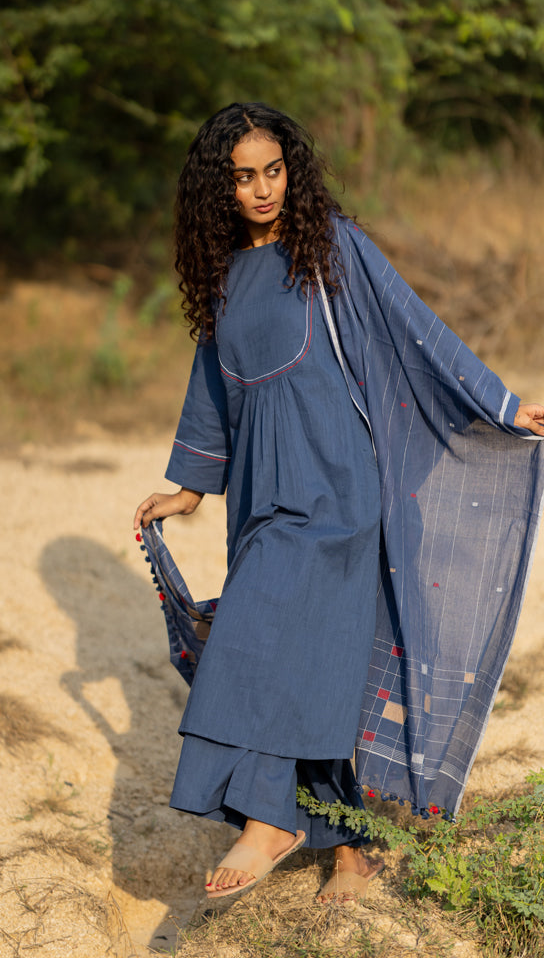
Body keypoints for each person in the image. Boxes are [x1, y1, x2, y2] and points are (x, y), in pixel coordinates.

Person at [133, 102, 544, 904]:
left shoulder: (330, 248)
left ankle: (269, 820)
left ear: (293, 170)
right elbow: (212, 387)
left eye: (274, 171)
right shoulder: (224, 277)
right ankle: (350, 846)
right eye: (244, 177)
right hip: (262, 489)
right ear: (219, 188)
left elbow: (414, 328)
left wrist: (500, 403)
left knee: (261, 637)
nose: (262, 190)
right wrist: (188, 487)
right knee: (316, 658)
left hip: (339, 481)